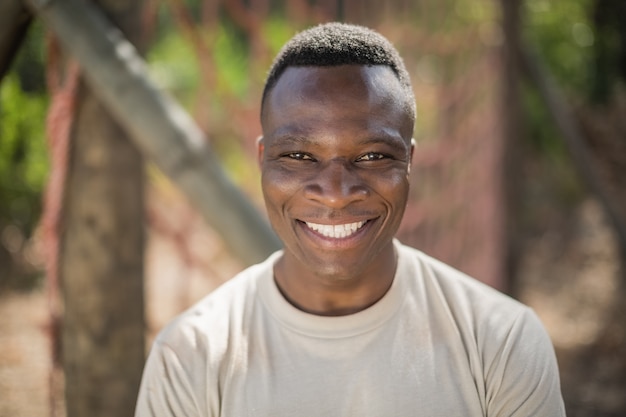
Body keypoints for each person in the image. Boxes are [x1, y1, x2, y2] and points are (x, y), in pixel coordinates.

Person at [135, 22, 566, 416]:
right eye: (299, 156)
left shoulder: (502, 344)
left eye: (373, 156)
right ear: (263, 160)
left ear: (409, 162)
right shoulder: (190, 356)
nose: (338, 194)